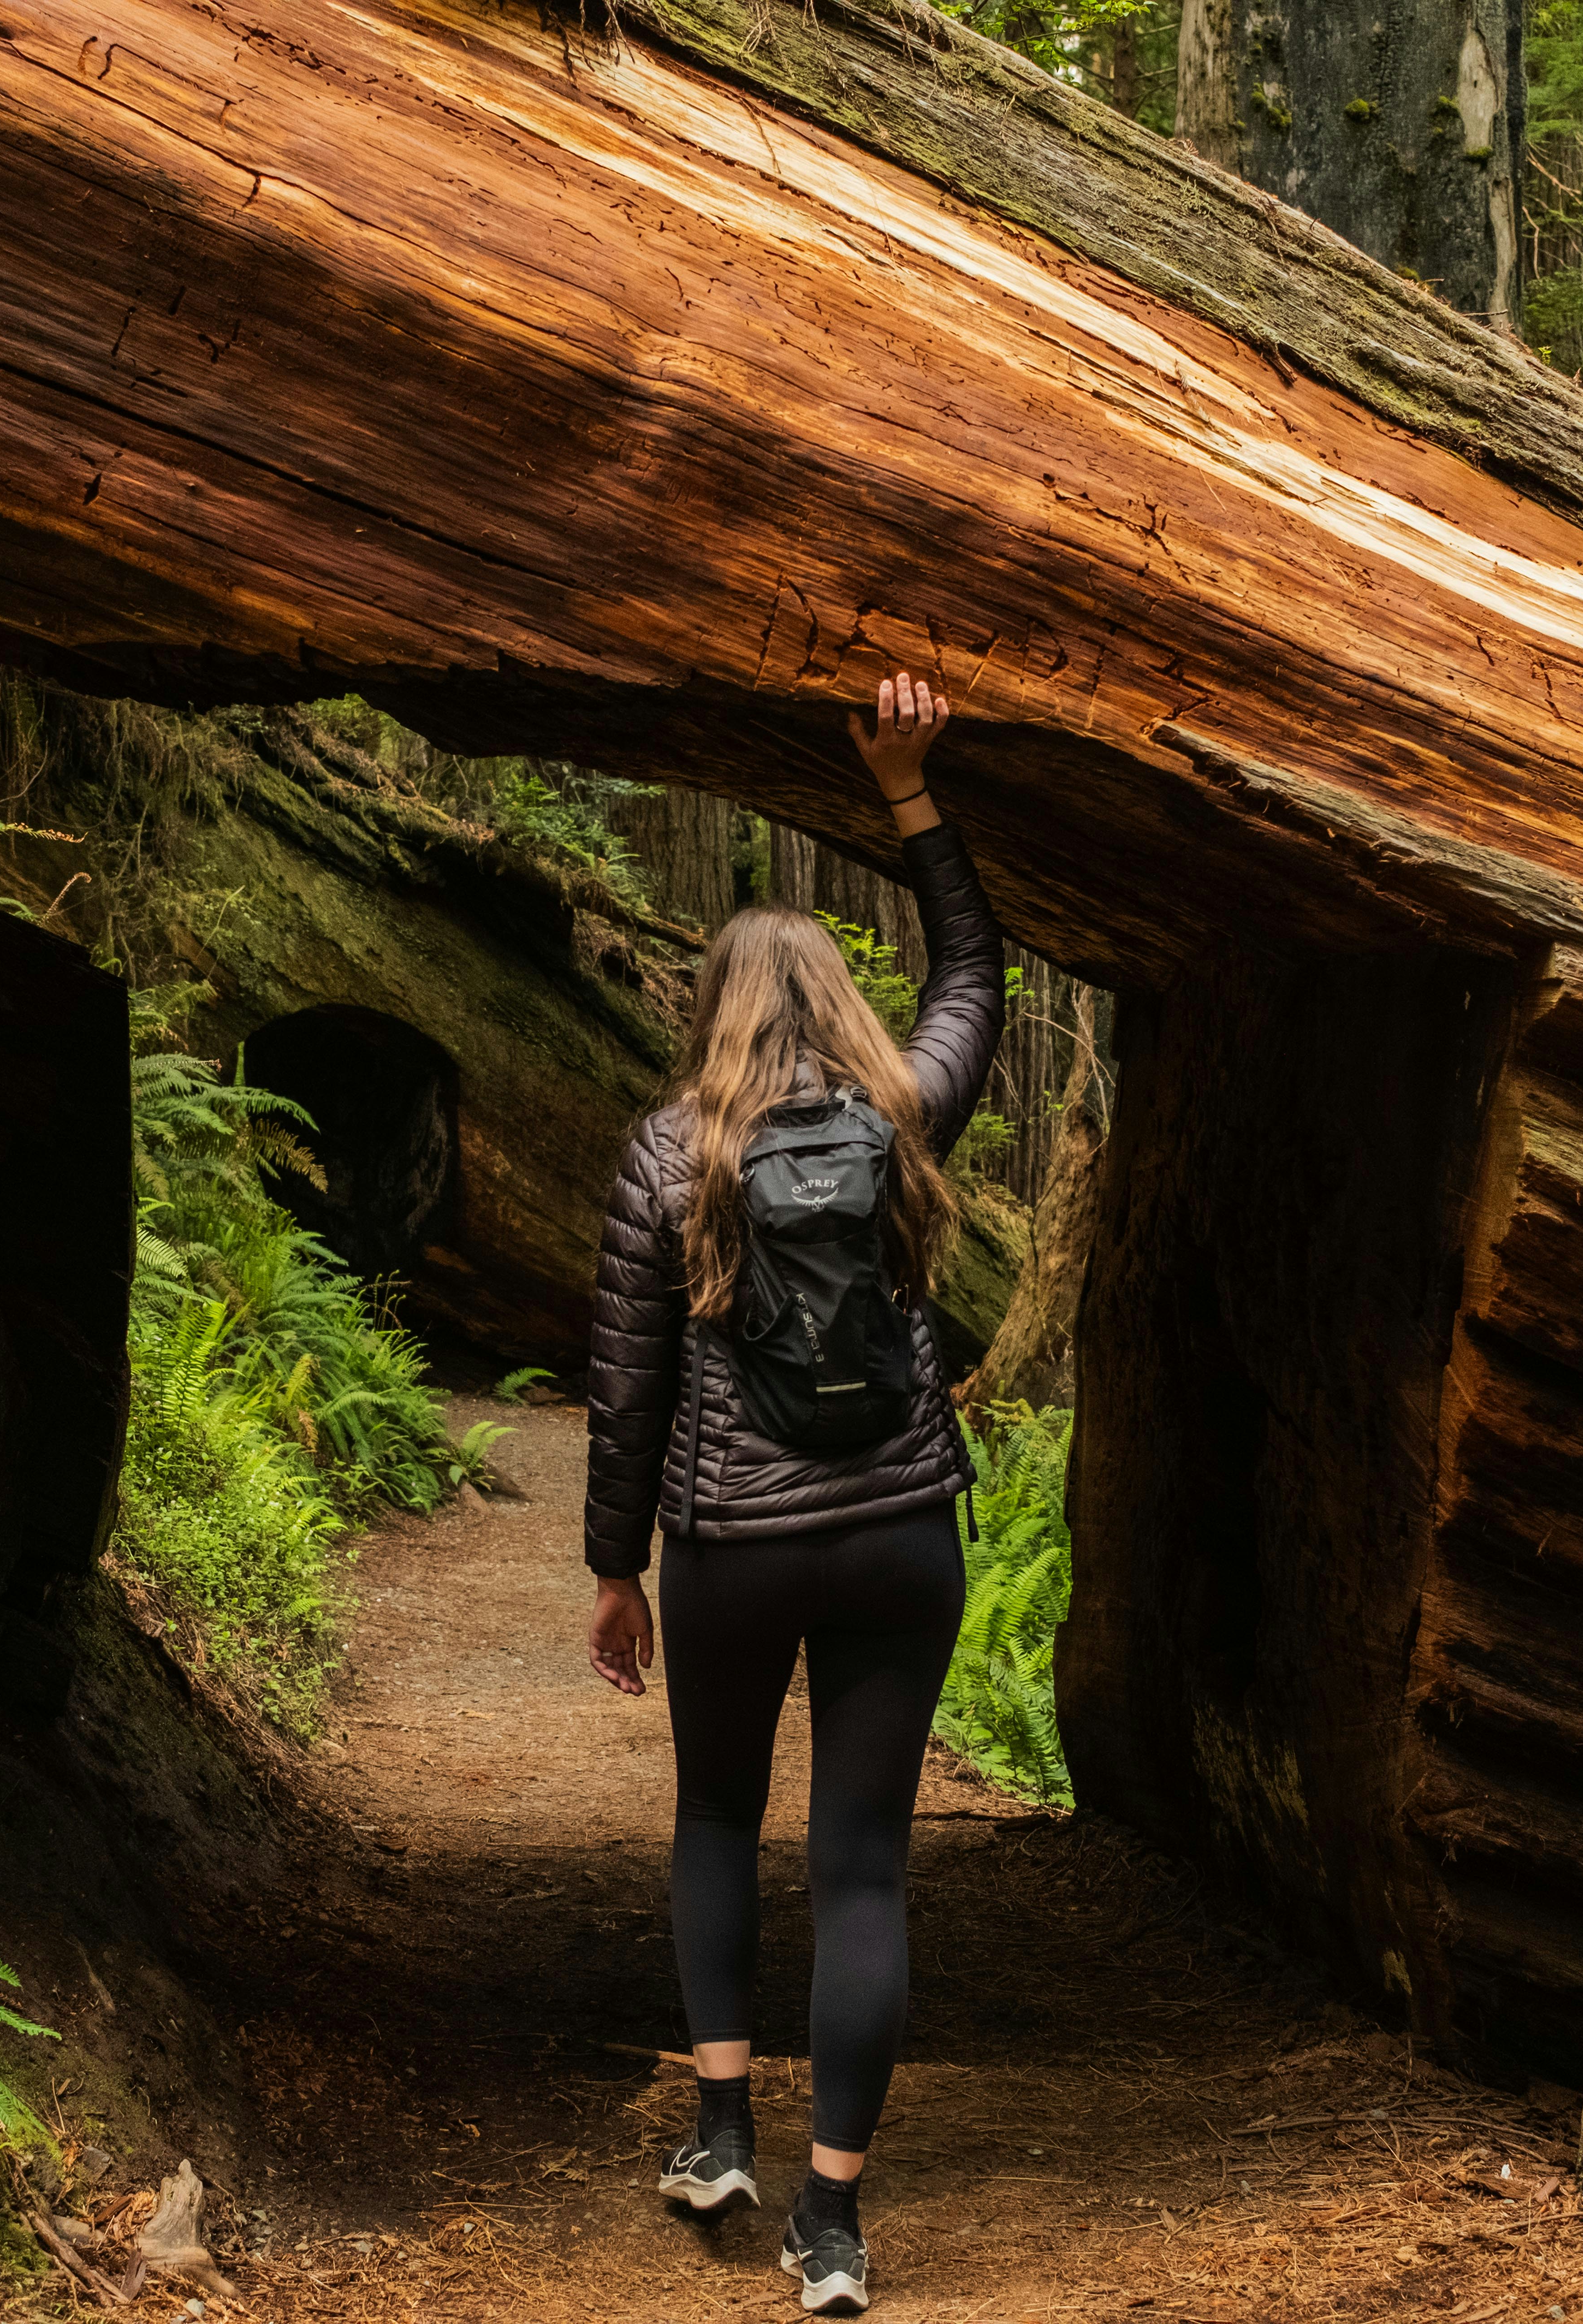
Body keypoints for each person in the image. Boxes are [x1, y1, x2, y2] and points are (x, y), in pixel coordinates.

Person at [580, 673, 1003, 2317]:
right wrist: (910, 794)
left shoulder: (664, 1155)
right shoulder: (906, 1113)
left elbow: (627, 1388)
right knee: (863, 1867)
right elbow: (975, 966)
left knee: (712, 1818)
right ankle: (830, 2224)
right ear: (841, 1012)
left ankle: (715, 2134)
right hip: (901, 1535)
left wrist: (618, 1570)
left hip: (737, 1552)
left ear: (714, 1016)